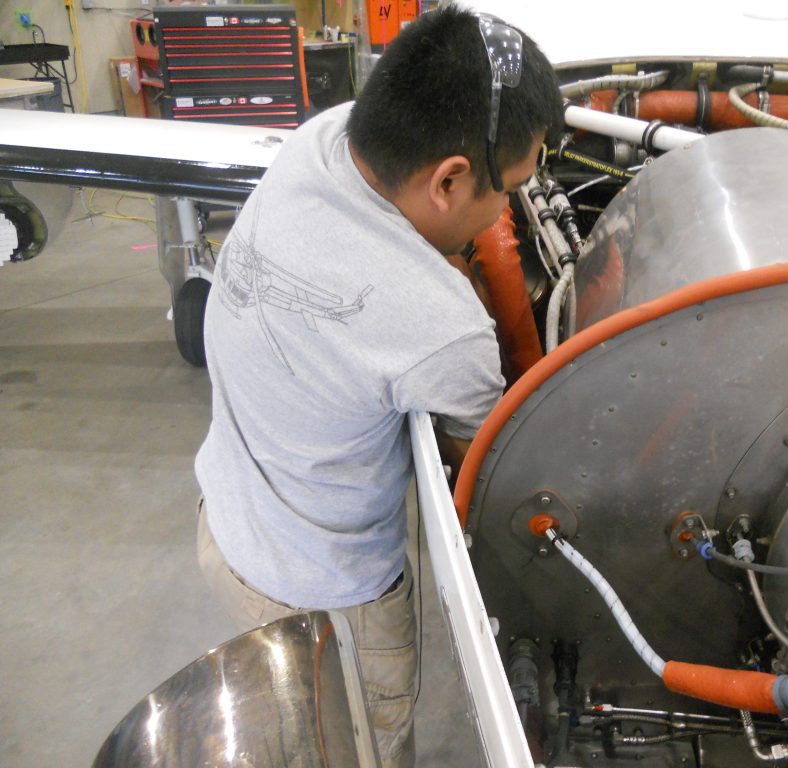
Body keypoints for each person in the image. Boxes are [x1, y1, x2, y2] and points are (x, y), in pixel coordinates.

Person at [193, 6, 563, 767]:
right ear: (450, 178)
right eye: (512, 191)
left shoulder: (324, 138)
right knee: (360, 751)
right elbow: (496, 456)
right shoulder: (441, 326)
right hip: (331, 598)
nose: (507, 214)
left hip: (226, 521)